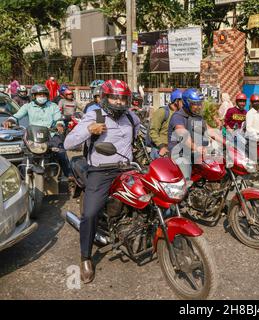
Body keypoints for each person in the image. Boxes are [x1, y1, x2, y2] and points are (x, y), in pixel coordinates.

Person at [64, 79, 140, 284]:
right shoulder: (94, 115)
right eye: (114, 97)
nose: (118, 102)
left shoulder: (131, 117)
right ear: (105, 98)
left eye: (123, 98)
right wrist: (89, 129)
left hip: (127, 169)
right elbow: (68, 142)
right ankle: (86, 257)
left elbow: (140, 139)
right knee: (90, 214)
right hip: (101, 171)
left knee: (149, 198)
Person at [3, 84, 72, 180]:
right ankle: (21, 179)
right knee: (24, 156)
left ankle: (70, 177)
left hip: (50, 135)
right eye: (39, 95)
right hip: (32, 136)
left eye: (43, 95)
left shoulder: (53, 106)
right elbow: (16, 116)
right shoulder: (28, 106)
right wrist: (11, 120)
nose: (42, 97)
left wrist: (59, 125)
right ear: (34, 96)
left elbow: (58, 119)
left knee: (61, 152)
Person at [168, 88, 214, 183]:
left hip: (193, 153)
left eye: (200, 103)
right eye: (195, 104)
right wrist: (196, 147)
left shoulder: (197, 117)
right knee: (187, 183)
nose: (199, 107)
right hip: (180, 154)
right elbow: (183, 136)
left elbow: (211, 131)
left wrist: (227, 142)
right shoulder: (178, 117)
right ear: (186, 103)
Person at [148, 89, 183, 159]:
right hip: (160, 151)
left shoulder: (181, 114)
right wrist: (161, 147)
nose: (185, 104)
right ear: (176, 101)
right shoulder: (162, 112)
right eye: (183, 101)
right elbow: (152, 131)